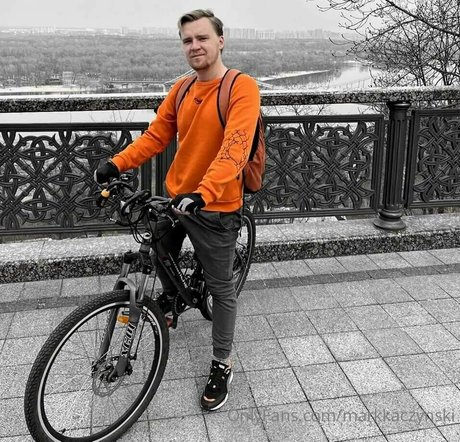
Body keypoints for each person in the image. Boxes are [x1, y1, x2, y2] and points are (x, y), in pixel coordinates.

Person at [95, 9, 261, 411]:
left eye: (202, 38)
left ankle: (222, 363)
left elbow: (235, 148)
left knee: (221, 289)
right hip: (179, 197)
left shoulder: (241, 87)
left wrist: (205, 192)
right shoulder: (183, 88)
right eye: (188, 40)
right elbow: (157, 136)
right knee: (158, 250)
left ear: (220, 41)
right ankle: (171, 301)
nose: (195, 46)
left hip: (216, 204)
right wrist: (117, 163)